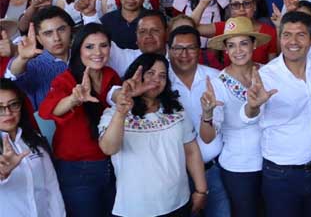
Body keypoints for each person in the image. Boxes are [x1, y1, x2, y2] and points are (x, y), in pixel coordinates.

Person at [240, 11, 311, 217]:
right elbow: (247, 116)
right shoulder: (267, 75)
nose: (293, 41)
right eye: (286, 34)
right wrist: (252, 105)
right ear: (280, 38)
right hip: (281, 175)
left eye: (300, 35)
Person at [99, 53, 208, 217]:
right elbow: (108, 148)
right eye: (150, 73)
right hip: (135, 208)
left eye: (162, 76)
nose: (157, 79)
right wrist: (121, 112)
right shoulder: (114, 114)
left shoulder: (175, 109)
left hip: (178, 202)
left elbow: (191, 150)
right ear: (136, 75)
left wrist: (201, 190)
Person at [39, 23, 120, 217]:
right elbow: (50, 110)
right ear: (78, 50)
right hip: (77, 171)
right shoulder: (66, 80)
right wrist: (74, 99)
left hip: (113, 165)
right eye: (89, 46)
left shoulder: (111, 75)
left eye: (103, 45)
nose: (98, 52)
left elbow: (117, 98)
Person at [204, 17, 271, 217]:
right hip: (240, 166)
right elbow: (208, 136)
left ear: (254, 44)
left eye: (243, 43)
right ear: (225, 49)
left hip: (273, 160)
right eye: (231, 45)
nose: (238, 50)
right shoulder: (217, 84)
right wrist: (207, 114)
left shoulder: (267, 73)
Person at [166, 25, 230, 217]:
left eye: (191, 48)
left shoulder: (215, 78)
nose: (184, 54)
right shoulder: (159, 80)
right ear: (169, 50)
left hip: (212, 170)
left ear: (199, 50)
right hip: (174, 175)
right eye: (178, 48)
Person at [0, 78, 65, 217]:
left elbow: (51, 188)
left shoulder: (33, 140)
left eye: (13, 105)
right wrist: (3, 174)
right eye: (0, 108)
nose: (8, 112)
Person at [5, 7, 74, 108]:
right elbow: (12, 76)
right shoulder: (35, 65)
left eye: (61, 29)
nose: (57, 38)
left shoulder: (84, 56)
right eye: (48, 33)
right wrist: (22, 59)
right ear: (39, 39)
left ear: (70, 30)